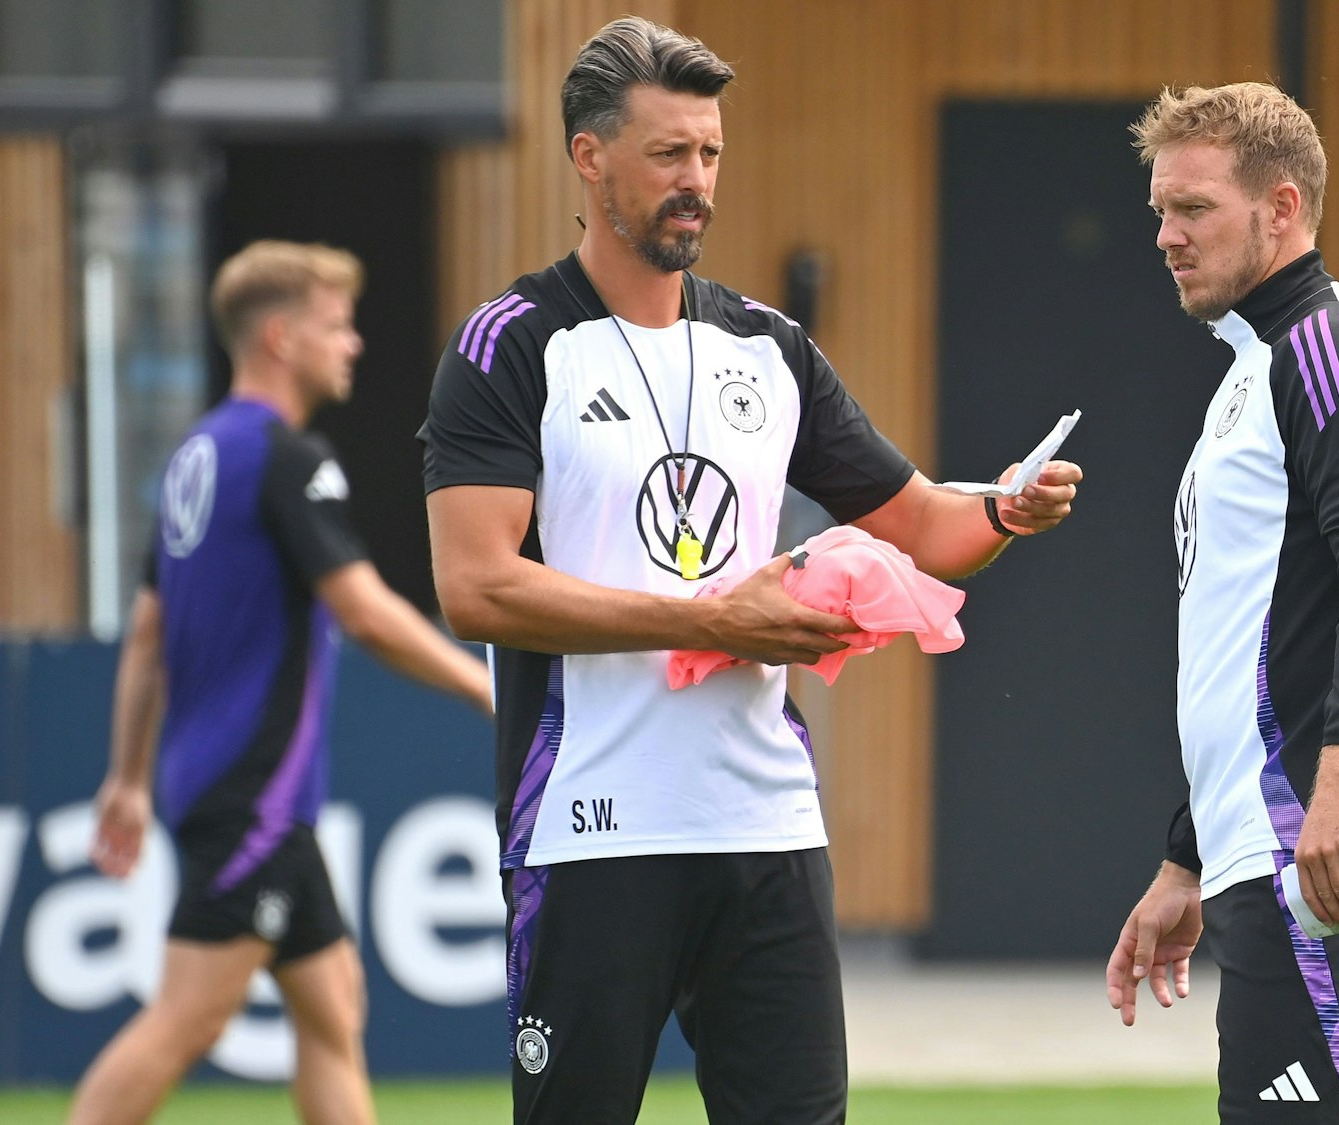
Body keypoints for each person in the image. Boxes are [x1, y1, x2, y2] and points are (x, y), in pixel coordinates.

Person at [419, 17, 1081, 1125]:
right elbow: (474, 588)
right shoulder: (513, 345)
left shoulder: (768, 348)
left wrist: (1005, 509)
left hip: (765, 827)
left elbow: (924, 521)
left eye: (710, 153)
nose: (697, 181)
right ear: (589, 157)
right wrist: (713, 620)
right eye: (668, 153)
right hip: (592, 830)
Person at [70, 241, 492, 1125]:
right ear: (279, 337)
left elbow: (146, 633)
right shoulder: (285, 457)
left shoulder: (193, 457)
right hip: (253, 793)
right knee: (189, 1016)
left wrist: (129, 776)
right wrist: (484, 685)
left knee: (332, 1005)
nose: (353, 344)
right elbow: (364, 612)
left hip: (228, 785)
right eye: (335, 326)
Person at [1103, 83, 1339, 1124]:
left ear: (1282, 209)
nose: (1166, 236)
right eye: (1160, 211)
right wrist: (1188, 853)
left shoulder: (1327, 354)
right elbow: (1246, 639)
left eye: (1194, 209)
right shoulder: (1253, 368)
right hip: (1269, 843)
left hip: (1318, 846)